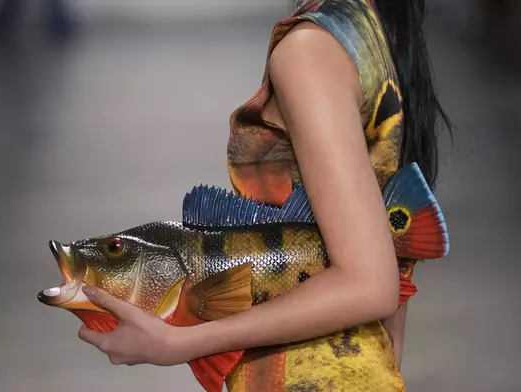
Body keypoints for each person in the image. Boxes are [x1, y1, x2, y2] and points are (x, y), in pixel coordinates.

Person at [77, 0, 451, 390]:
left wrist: (179, 342)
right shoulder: (370, 26)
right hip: (355, 367)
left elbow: (369, 284)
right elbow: (385, 251)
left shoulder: (310, 50)